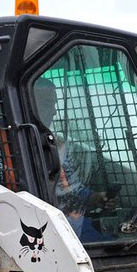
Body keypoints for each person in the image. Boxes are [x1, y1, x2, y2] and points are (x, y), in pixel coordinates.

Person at [32, 77, 115, 241]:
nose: (55, 111)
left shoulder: (57, 145)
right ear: (31, 105)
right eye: (49, 103)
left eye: (55, 104)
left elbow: (70, 187)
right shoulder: (4, 145)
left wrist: (94, 197)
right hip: (41, 232)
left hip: (74, 224)